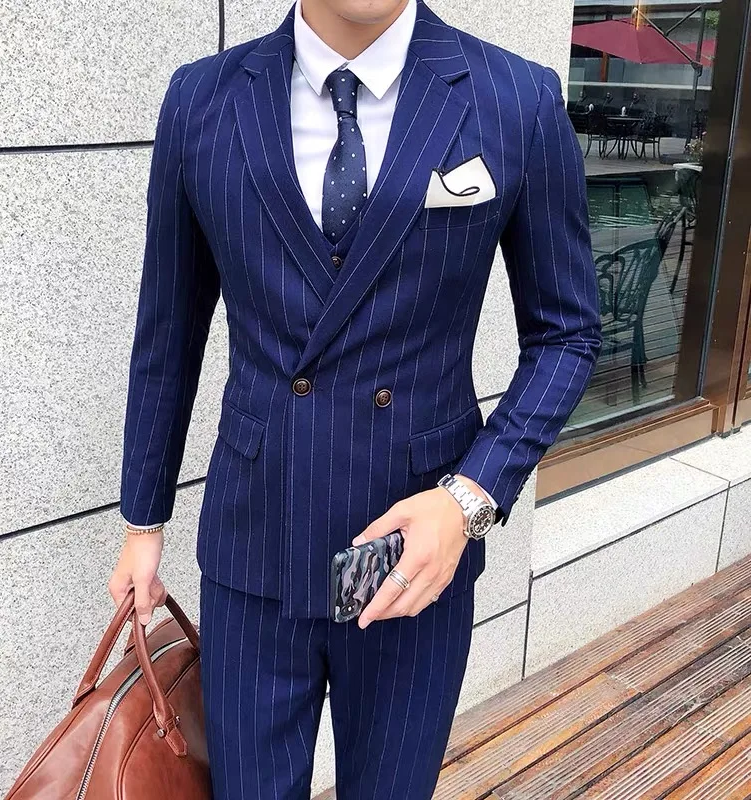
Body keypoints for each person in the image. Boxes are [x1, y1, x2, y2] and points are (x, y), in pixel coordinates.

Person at [109, 0, 602, 796]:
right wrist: (142, 523)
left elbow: (567, 335)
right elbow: (167, 333)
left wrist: (470, 498)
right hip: (255, 544)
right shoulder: (202, 100)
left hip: (412, 551)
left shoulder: (515, 97)